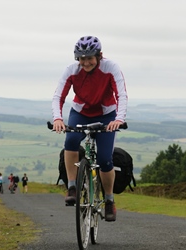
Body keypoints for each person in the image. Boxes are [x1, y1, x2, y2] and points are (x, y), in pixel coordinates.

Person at [51, 35, 128, 222]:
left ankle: (109, 200)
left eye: (89, 58)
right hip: (81, 112)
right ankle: (72, 186)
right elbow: (58, 97)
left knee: (104, 159)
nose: (85, 63)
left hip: (106, 115)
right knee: (70, 141)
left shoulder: (111, 68)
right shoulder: (71, 70)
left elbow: (122, 95)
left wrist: (118, 119)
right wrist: (58, 118)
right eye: (81, 58)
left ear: (99, 56)